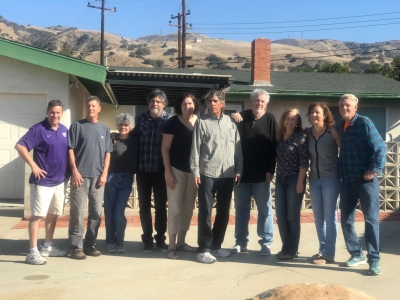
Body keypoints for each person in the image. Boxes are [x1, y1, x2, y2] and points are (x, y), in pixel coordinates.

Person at [190, 89, 243, 264]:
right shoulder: (201, 123)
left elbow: (237, 149)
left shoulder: (231, 123)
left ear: (222, 103)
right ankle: (204, 248)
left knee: (223, 212)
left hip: (227, 175)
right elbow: (195, 149)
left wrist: (238, 170)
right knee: (205, 211)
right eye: (209, 101)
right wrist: (195, 171)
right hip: (207, 173)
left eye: (214, 101)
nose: (211, 104)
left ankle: (216, 245)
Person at [338, 94, 386, 276]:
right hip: (347, 181)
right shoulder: (340, 126)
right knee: (346, 220)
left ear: (355, 107)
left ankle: (374, 260)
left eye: (348, 105)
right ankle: (356, 254)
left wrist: (373, 170)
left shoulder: (364, 123)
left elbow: (380, 148)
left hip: (366, 182)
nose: (344, 108)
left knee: (371, 220)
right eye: (342, 105)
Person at [16, 100, 68, 265]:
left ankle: (47, 247)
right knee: (37, 216)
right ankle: (32, 252)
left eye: (58, 112)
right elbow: (20, 146)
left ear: (62, 113)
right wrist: (33, 166)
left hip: (59, 182)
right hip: (42, 182)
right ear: (47, 112)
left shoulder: (64, 130)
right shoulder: (38, 129)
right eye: (52, 112)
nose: (55, 115)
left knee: (53, 215)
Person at [229, 89, 277, 256]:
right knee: (241, 210)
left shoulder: (270, 119)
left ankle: (266, 243)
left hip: (262, 176)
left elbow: (274, 146)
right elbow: (230, 130)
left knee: (265, 210)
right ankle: (241, 242)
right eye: (256, 100)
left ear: (266, 104)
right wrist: (233, 116)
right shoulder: (243, 116)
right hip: (241, 175)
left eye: (262, 101)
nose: (259, 103)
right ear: (251, 102)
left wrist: (271, 169)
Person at [68, 95, 112, 259]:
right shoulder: (77, 126)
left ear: (99, 109)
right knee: (77, 213)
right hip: (80, 177)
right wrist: (74, 170)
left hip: (98, 179)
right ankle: (75, 247)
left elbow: (108, 153)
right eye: (88, 106)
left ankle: (90, 245)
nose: (91, 108)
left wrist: (105, 173)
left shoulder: (105, 129)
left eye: (94, 106)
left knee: (95, 214)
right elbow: (70, 149)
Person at [161, 94, 199, 259]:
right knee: (175, 208)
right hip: (175, 170)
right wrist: (168, 173)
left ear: (194, 105)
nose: (187, 106)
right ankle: (171, 246)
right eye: (184, 103)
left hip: (193, 172)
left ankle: (182, 242)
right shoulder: (172, 122)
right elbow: (165, 149)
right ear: (180, 106)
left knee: (188, 208)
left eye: (190, 103)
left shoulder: (199, 122)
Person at [135, 89, 170, 252]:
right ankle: (147, 238)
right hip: (143, 170)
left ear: (163, 104)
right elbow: (129, 135)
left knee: (161, 206)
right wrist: (115, 137)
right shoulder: (140, 119)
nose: (154, 104)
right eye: (152, 101)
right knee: (144, 207)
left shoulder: (170, 120)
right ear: (148, 103)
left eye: (158, 101)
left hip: (161, 172)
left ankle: (161, 238)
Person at [305, 102, 340, 265]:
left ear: (325, 115)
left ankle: (329, 254)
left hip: (331, 179)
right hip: (314, 179)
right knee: (318, 217)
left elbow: (344, 151)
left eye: (317, 112)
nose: (313, 115)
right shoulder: (308, 134)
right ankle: (322, 250)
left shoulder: (332, 132)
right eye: (311, 112)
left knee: (330, 216)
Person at [275, 108, 308, 260]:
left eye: (293, 119)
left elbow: (303, 163)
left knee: (292, 216)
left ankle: (291, 250)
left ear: (297, 123)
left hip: (294, 179)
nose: (290, 122)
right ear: (283, 119)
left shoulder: (300, 138)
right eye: (288, 118)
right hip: (280, 180)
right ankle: (285, 247)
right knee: (281, 216)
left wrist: (300, 183)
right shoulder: (279, 137)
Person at [104, 113, 138, 254]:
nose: (123, 127)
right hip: (111, 178)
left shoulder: (136, 140)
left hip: (126, 179)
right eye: (121, 124)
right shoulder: (111, 139)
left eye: (126, 125)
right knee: (109, 212)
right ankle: (111, 242)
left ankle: (121, 242)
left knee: (119, 213)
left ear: (130, 126)